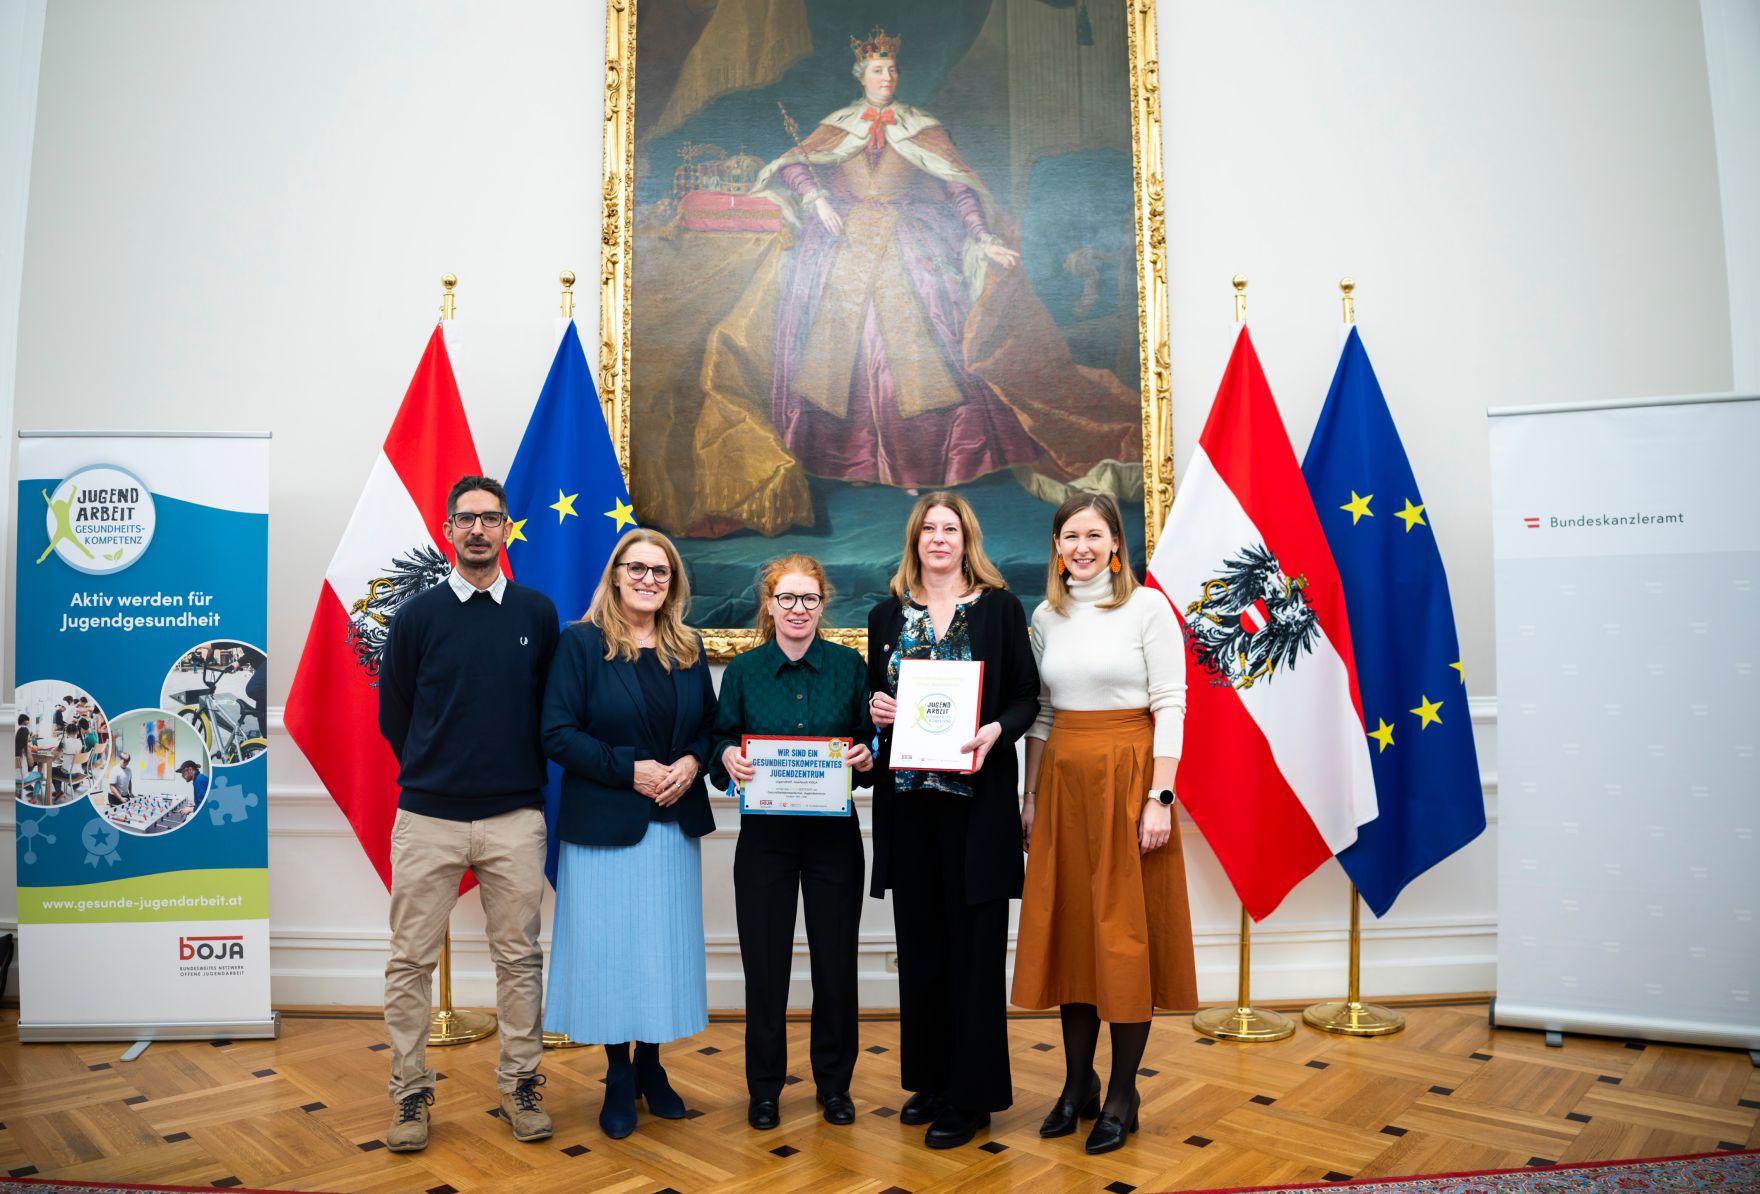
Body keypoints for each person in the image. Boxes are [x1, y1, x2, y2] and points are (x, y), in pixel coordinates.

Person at [752, 27, 1041, 491]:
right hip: (845, 242)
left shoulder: (921, 126)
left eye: (892, 70)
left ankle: (916, 465)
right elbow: (792, 164)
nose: (886, 77)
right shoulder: (839, 123)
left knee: (915, 333)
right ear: (861, 76)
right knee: (844, 344)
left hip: (907, 240)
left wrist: (982, 236)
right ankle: (858, 464)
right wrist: (817, 200)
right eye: (877, 70)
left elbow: (957, 185)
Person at [375, 474, 561, 1154]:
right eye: (466, 519)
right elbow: (395, 714)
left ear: (506, 529)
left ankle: (519, 1086)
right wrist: (437, 769)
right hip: (429, 816)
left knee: (518, 959)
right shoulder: (417, 616)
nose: (479, 529)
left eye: (491, 518)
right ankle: (409, 1095)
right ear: (448, 531)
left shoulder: (537, 615)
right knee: (409, 962)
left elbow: (549, 711)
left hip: (514, 816)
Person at [1011, 493, 1196, 1154]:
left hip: (1128, 782)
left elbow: (1171, 703)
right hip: (1063, 786)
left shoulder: (1147, 609)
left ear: (1115, 543)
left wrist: (1159, 798)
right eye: (1069, 537)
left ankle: (1122, 1094)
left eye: (1094, 535)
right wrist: (1029, 797)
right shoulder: (1045, 616)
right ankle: (1075, 1085)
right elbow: (1040, 715)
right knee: (1073, 935)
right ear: (1056, 548)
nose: (1081, 547)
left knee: (1122, 940)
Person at [866, 492, 1039, 1148]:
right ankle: (932, 1081)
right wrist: (876, 710)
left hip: (977, 810)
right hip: (909, 809)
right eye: (929, 529)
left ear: (967, 540)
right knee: (923, 951)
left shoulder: (998, 609)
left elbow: (1026, 696)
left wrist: (997, 729)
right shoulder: (887, 614)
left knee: (974, 954)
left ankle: (973, 1098)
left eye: (951, 528)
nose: (939, 538)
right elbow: (873, 699)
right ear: (915, 541)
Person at [541, 528, 717, 1140]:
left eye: (661, 572)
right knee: (609, 953)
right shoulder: (581, 644)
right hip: (603, 826)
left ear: (673, 584)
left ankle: (652, 1066)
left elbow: (710, 731)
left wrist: (693, 763)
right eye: (636, 568)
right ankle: (618, 1073)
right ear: (615, 575)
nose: (648, 579)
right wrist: (630, 770)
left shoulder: (689, 648)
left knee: (658, 952)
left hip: (673, 821)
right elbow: (557, 733)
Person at [709, 554, 874, 1130]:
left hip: (834, 839)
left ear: (823, 605)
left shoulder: (850, 668)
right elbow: (720, 743)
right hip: (765, 841)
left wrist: (865, 755)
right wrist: (726, 756)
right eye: (787, 599)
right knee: (766, 965)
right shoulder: (744, 671)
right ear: (769, 605)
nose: (797, 609)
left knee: (835, 964)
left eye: (809, 599)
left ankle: (835, 1085)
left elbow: (868, 744)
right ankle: (765, 1089)